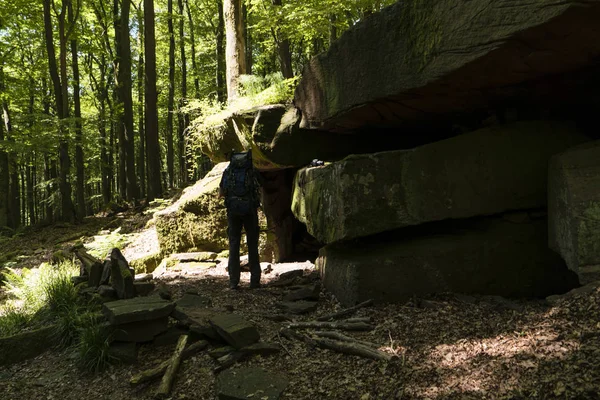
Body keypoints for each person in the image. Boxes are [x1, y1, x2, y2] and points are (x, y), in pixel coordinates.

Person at [219, 150, 262, 289]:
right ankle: (255, 281)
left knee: (233, 244)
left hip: (233, 211)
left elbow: (222, 192)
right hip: (250, 210)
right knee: (252, 243)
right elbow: (259, 187)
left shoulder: (228, 171)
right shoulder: (251, 171)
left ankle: (233, 281)